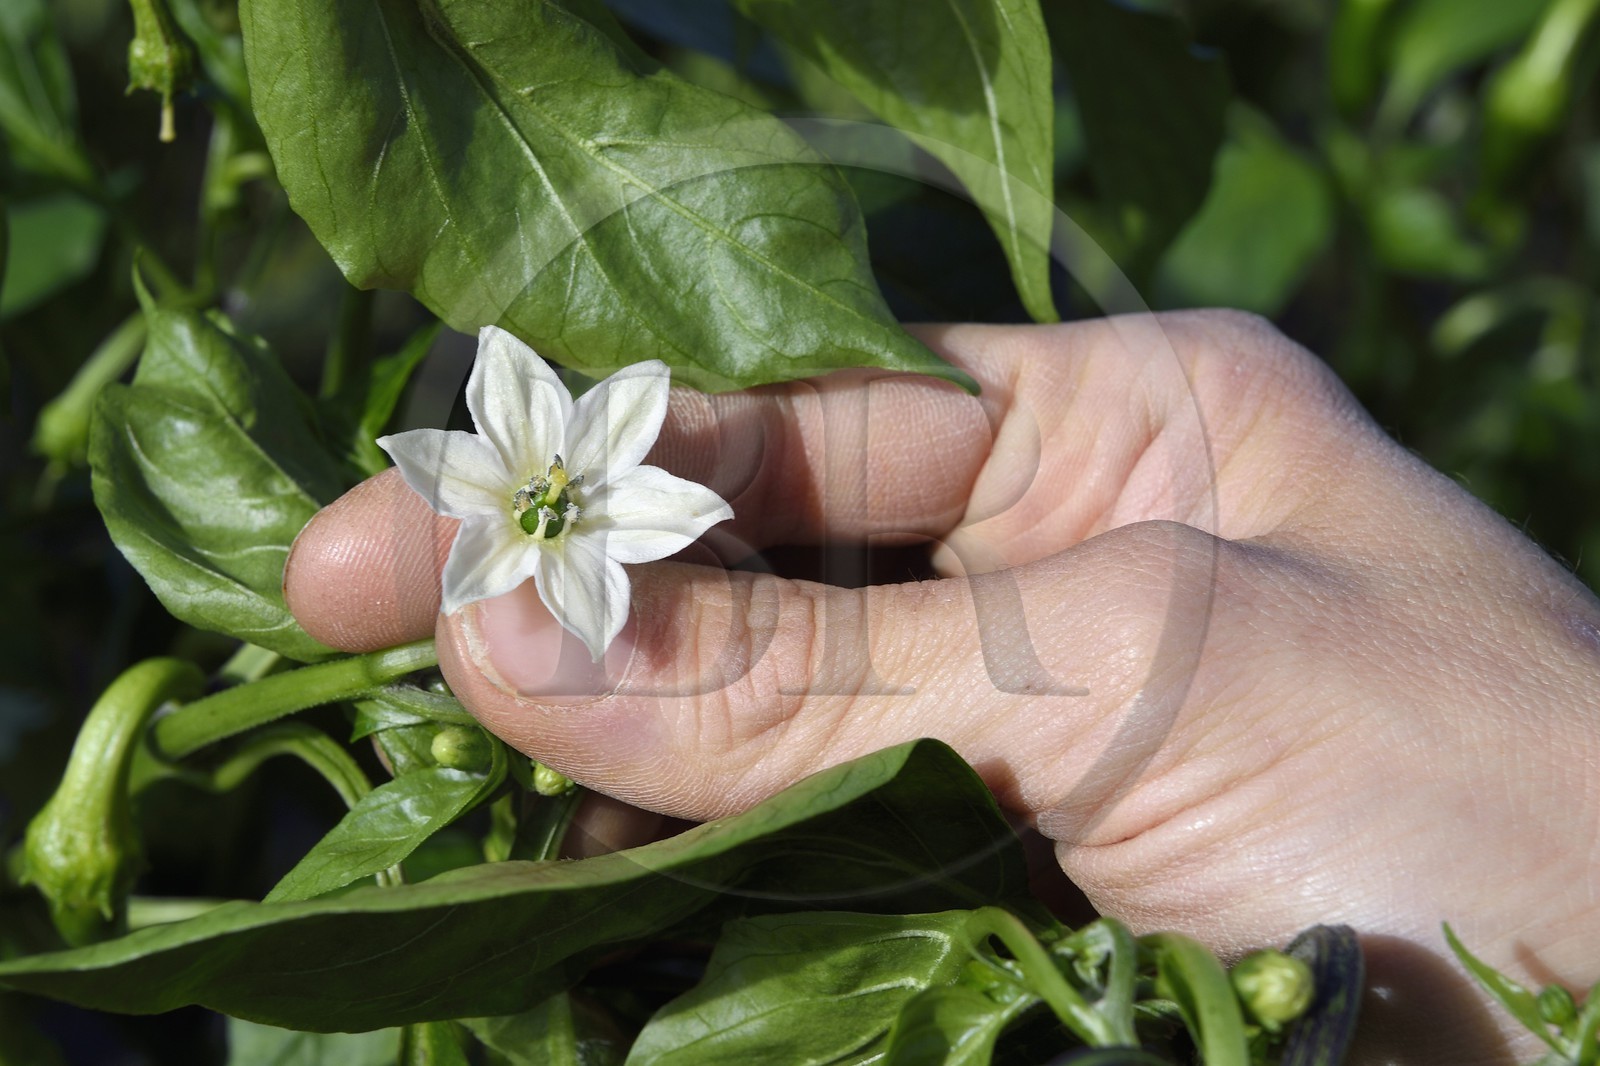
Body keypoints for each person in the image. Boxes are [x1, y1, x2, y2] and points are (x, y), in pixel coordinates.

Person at [285, 310, 1599, 1063]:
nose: (552, 494)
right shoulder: (522, 488)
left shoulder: (569, 509)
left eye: (557, 492)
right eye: (545, 496)